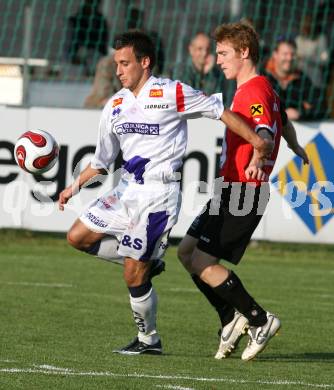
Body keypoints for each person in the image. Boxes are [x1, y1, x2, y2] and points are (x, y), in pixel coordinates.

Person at [58, 30, 272, 356]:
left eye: (125, 63)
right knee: (77, 237)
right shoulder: (114, 105)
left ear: (145, 62)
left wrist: (257, 141)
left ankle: (149, 341)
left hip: (159, 196)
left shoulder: (171, 92)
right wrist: (73, 187)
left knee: (133, 273)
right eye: (116, 63)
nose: (118, 70)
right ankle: (147, 259)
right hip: (126, 191)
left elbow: (219, 111)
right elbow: (102, 162)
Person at [177, 22, 309, 362]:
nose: (218, 60)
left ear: (244, 52)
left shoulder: (252, 91)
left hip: (243, 189)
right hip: (229, 187)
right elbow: (283, 122)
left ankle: (260, 319)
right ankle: (228, 318)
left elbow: (264, 131)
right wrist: (295, 146)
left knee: (204, 261)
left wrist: (255, 157)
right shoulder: (264, 88)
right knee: (187, 252)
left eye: (223, 53)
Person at [263, 37, 326, 121]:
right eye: (285, 54)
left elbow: (321, 107)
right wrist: (283, 114)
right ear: (275, 54)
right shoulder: (262, 76)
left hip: (300, 132)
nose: (289, 58)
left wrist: (300, 112)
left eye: (292, 54)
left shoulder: (302, 79)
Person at [65, 0, 108, 75]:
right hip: (75, 63)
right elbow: (68, 44)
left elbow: (103, 45)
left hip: (96, 58)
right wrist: (73, 57)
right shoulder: (74, 20)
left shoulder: (101, 21)